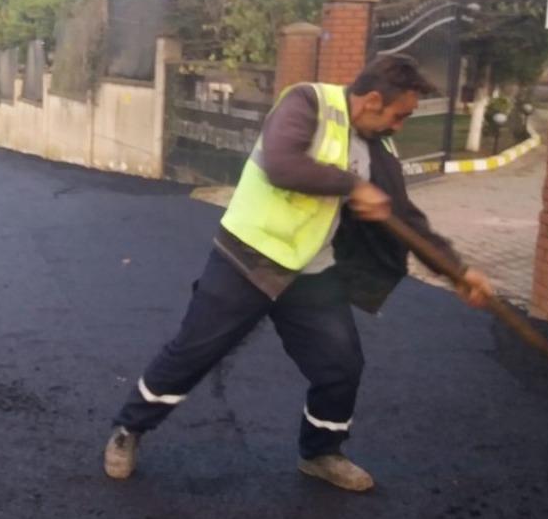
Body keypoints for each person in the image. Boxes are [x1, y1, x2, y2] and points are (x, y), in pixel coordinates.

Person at [103, 55, 494, 492]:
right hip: (248, 257)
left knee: (340, 365)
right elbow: (282, 163)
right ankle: (128, 429)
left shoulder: (380, 147)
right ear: (371, 101)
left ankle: (321, 453)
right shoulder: (307, 102)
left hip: (311, 271)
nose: (399, 126)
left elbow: (406, 219)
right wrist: (353, 185)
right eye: (398, 115)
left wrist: (458, 272)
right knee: (192, 353)